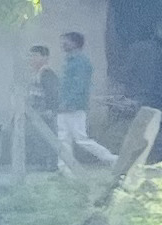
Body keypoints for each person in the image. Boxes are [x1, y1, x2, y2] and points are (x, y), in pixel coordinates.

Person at [49, 33, 116, 170]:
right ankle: (64, 168)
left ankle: (111, 158)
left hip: (75, 107)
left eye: (66, 42)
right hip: (64, 107)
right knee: (63, 139)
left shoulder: (81, 62)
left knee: (81, 139)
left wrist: (69, 102)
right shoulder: (69, 61)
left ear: (75, 43)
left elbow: (80, 86)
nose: (63, 44)